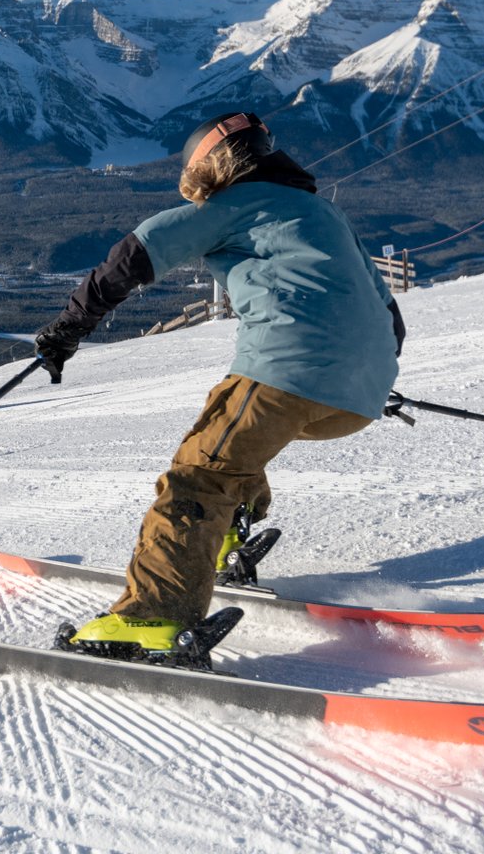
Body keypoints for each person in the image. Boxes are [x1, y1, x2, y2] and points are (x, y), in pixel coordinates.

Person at [33, 111, 405, 661]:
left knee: (198, 476)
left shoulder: (231, 206)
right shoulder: (323, 213)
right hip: (359, 396)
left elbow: (133, 255)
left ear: (210, 166)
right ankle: (228, 533)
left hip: (289, 369)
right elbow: (389, 316)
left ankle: (154, 616)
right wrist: (361, 373)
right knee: (227, 428)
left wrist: (66, 331)